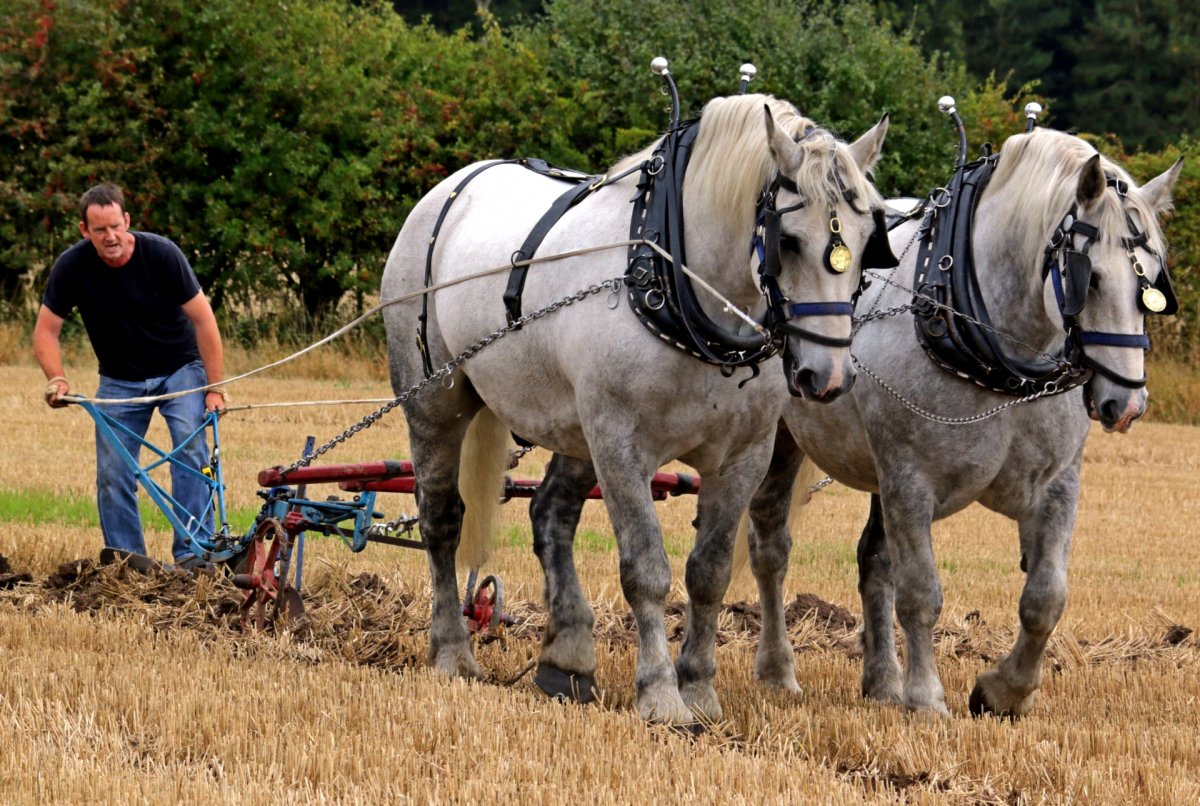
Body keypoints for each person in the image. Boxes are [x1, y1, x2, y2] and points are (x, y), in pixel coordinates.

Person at [32, 183, 226, 570]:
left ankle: (194, 553)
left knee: (189, 451)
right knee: (113, 469)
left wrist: (215, 387)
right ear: (85, 231)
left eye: (116, 226)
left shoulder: (162, 254)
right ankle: (127, 560)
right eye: (100, 230)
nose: (111, 237)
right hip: (119, 379)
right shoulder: (72, 266)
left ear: (128, 221)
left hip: (180, 369)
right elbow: (46, 329)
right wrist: (57, 378)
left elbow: (204, 321)